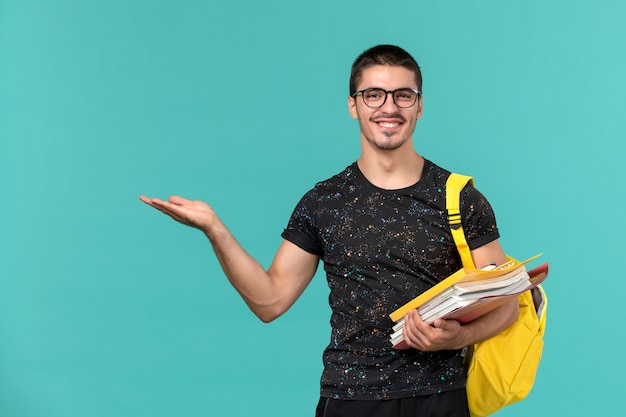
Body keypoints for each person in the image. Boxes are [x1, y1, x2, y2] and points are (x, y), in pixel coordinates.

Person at [139, 44, 518, 417]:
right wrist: (215, 229)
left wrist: (459, 337)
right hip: (351, 401)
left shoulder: (460, 198)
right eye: (374, 95)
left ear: (420, 105)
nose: (389, 107)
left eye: (403, 95)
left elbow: (506, 306)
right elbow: (269, 302)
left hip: (441, 398)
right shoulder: (323, 202)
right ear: (353, 105)